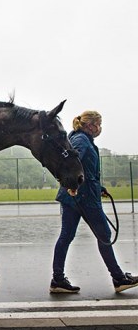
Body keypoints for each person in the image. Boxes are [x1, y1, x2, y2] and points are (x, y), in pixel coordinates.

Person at [50, 110, 138, 293]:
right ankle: (119, 278)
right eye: (98, 124)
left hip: (75, 196)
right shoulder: (81, 140)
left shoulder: (81, 138)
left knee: (66, 236)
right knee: (104, 235)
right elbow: (73, 165)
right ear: (90, 125)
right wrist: (73, 185)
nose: (100, 128)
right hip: (83, 197)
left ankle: (57, 280)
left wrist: (99, 188)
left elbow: (85, 172)